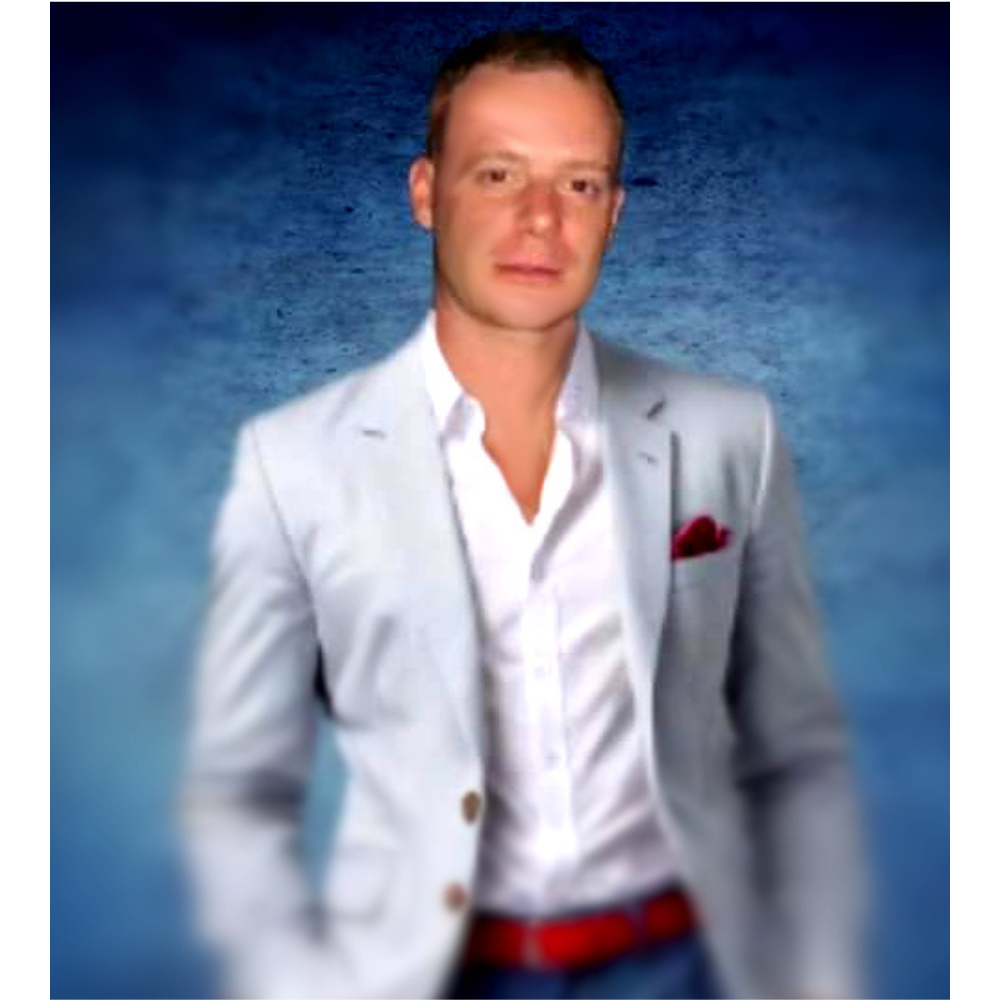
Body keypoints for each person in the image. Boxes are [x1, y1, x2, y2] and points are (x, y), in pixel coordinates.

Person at [181, 29, 869, 1000]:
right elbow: (236, 791)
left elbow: (793, 749)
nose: (541, 220)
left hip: (683, 968)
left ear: (615, 212)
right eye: (498, 174)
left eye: (580, 184)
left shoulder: (728, 434)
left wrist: (816, 982)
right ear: (425, 193)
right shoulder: (294, 462)